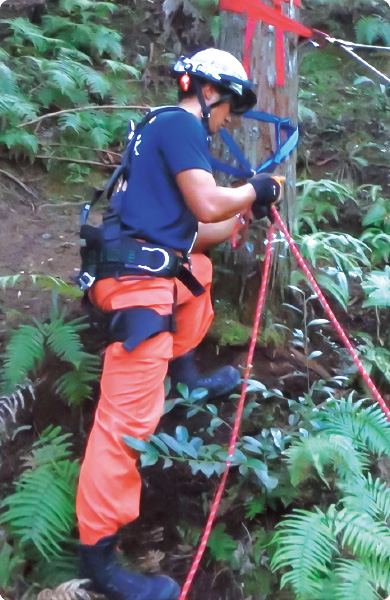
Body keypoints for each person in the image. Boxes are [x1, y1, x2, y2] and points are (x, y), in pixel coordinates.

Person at [76, 48, 283, 600]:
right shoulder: (180, 122)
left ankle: (185, 373)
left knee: (200, 271)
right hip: (136, 287)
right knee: (125, 425)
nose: (229, 119)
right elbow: (207, 201)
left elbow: (196, 230)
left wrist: (244, 212)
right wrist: (256, 190)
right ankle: (100, 556)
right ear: (209, 92)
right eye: (229, 106)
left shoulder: (156, 130)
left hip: (140, 261)